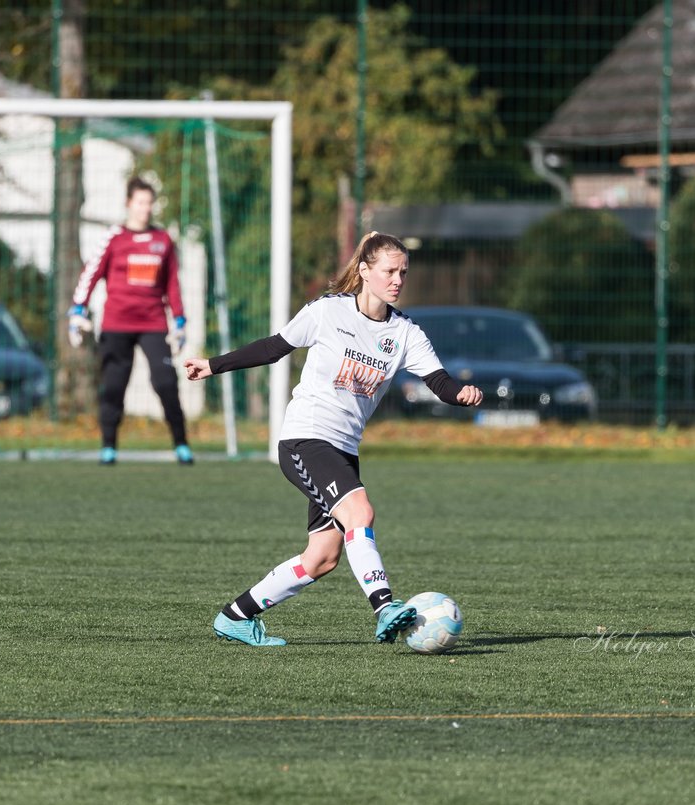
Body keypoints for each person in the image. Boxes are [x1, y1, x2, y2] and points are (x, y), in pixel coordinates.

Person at [184, 232, 483, 646]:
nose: (398, 279)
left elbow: (439, 382)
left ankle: (235, 617)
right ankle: (384, 607)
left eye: (403, 272)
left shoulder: (405, 333)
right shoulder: (327, 312)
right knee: (360, 512)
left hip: (343, 450)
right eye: (389, 271)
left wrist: (462, 394)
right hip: (305, 439)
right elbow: (274, 348)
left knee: (322, 558)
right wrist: (212, 366)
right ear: (365, 271)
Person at [68, 176, 194, 466]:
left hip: (153, 324)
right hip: (117, 323)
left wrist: (179, 320)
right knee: (113, 386)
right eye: (140, 203)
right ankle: (108, 447)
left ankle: (182, 445)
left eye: (149, 203)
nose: (145, 209)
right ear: (128, 204)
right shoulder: (114, 238)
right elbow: (91, 274)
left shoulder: (163, 240)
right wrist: (77, 311)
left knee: (165, 383)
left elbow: (172, 284)